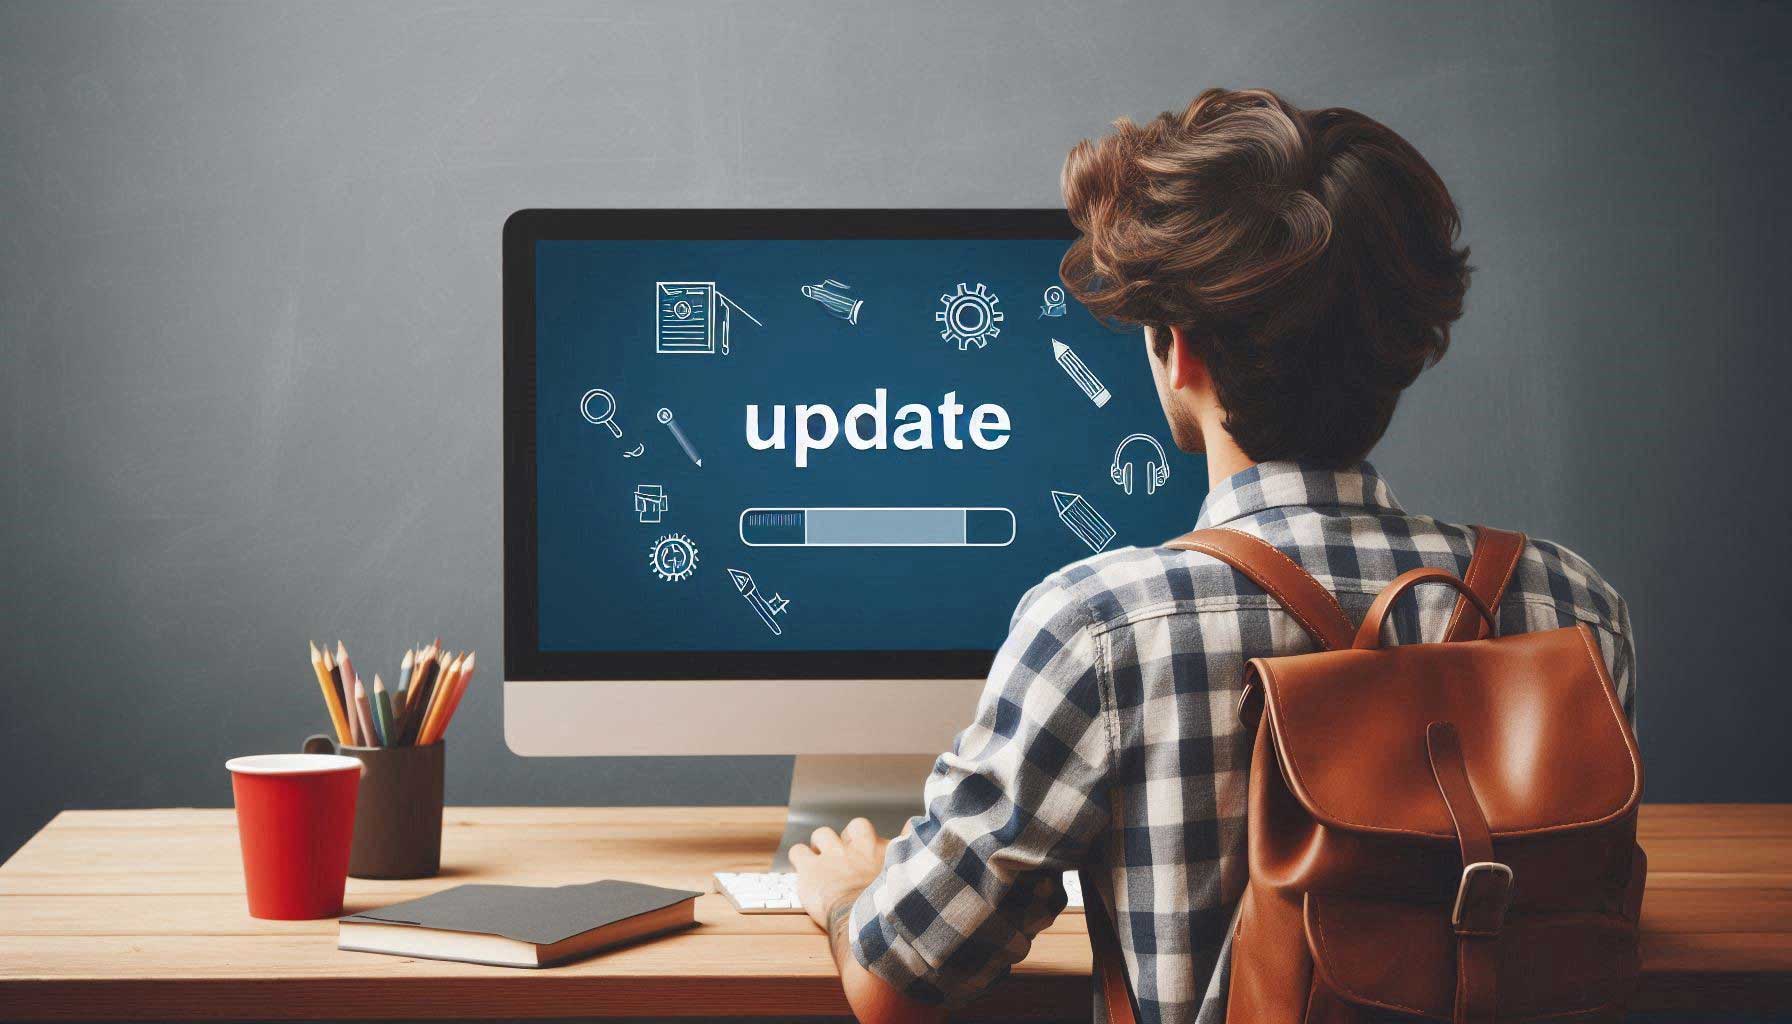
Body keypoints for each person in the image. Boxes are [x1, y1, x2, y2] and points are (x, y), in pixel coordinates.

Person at [790, 87, 1636, 1024]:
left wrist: (844, 894)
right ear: (1399, 349)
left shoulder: (1101, 629)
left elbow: (894, 986)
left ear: (1177, 352)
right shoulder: (1574, 612)